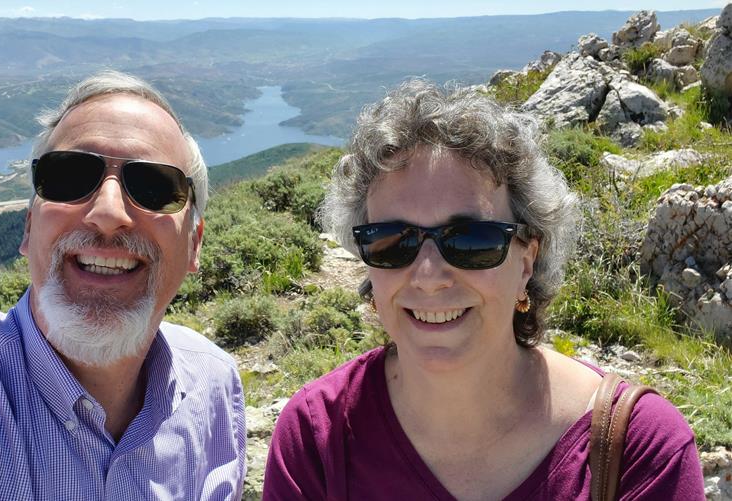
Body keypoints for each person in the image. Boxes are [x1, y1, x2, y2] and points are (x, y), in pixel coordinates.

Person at [263, 80, 703, 500]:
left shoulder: (637, 450)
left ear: (527, 260)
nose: (429, 275)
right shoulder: (315, 438)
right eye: (393, 242)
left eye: (471, 240)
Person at [0, 71, 246, 500]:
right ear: (29, 228)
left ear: (194, 244)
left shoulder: (214, 386)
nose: (108, 213)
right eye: (69, 176)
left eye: (154, 186)